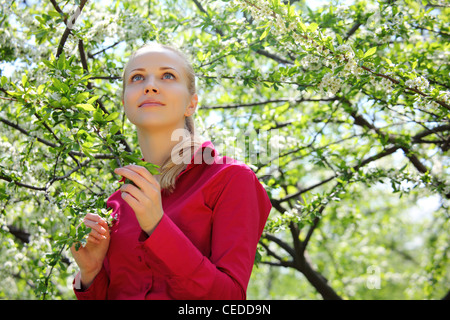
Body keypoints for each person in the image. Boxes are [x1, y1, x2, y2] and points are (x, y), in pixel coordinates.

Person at [70, 43, 272, 300]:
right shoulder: (118, 201)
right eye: (137, 77)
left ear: (191, 103)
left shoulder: (231, 178)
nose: (150, 86)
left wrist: (157, 226)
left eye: (168, 75)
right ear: (125, 102)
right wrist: (91, 273)